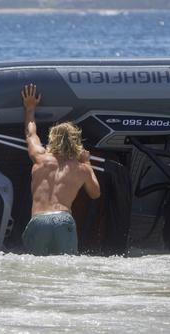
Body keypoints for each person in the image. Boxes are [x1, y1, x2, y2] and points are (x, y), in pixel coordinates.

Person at [20, 84, 101, 256]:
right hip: (63, 220)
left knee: (36, 269)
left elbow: (30, 133)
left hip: (39, 220)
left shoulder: (39, 156)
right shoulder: (82, 169)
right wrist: (88, 163)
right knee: (65, 272)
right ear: (75, 142)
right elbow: (95, 194)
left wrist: (30, 108)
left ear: (52, 139)